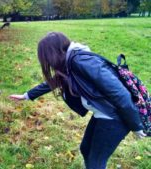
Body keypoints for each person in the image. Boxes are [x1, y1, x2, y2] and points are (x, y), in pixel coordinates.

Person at [9, 32, 146, 169]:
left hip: (115, 117)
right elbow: (56, 80)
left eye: (46, 56)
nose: (47, 61)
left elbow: (120, 93)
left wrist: (136, 125)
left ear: (53, 53)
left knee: (95, 162)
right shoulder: (70, 61)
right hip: (103, 114)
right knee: (85, 149)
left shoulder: (81, 61)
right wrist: (27, 95)